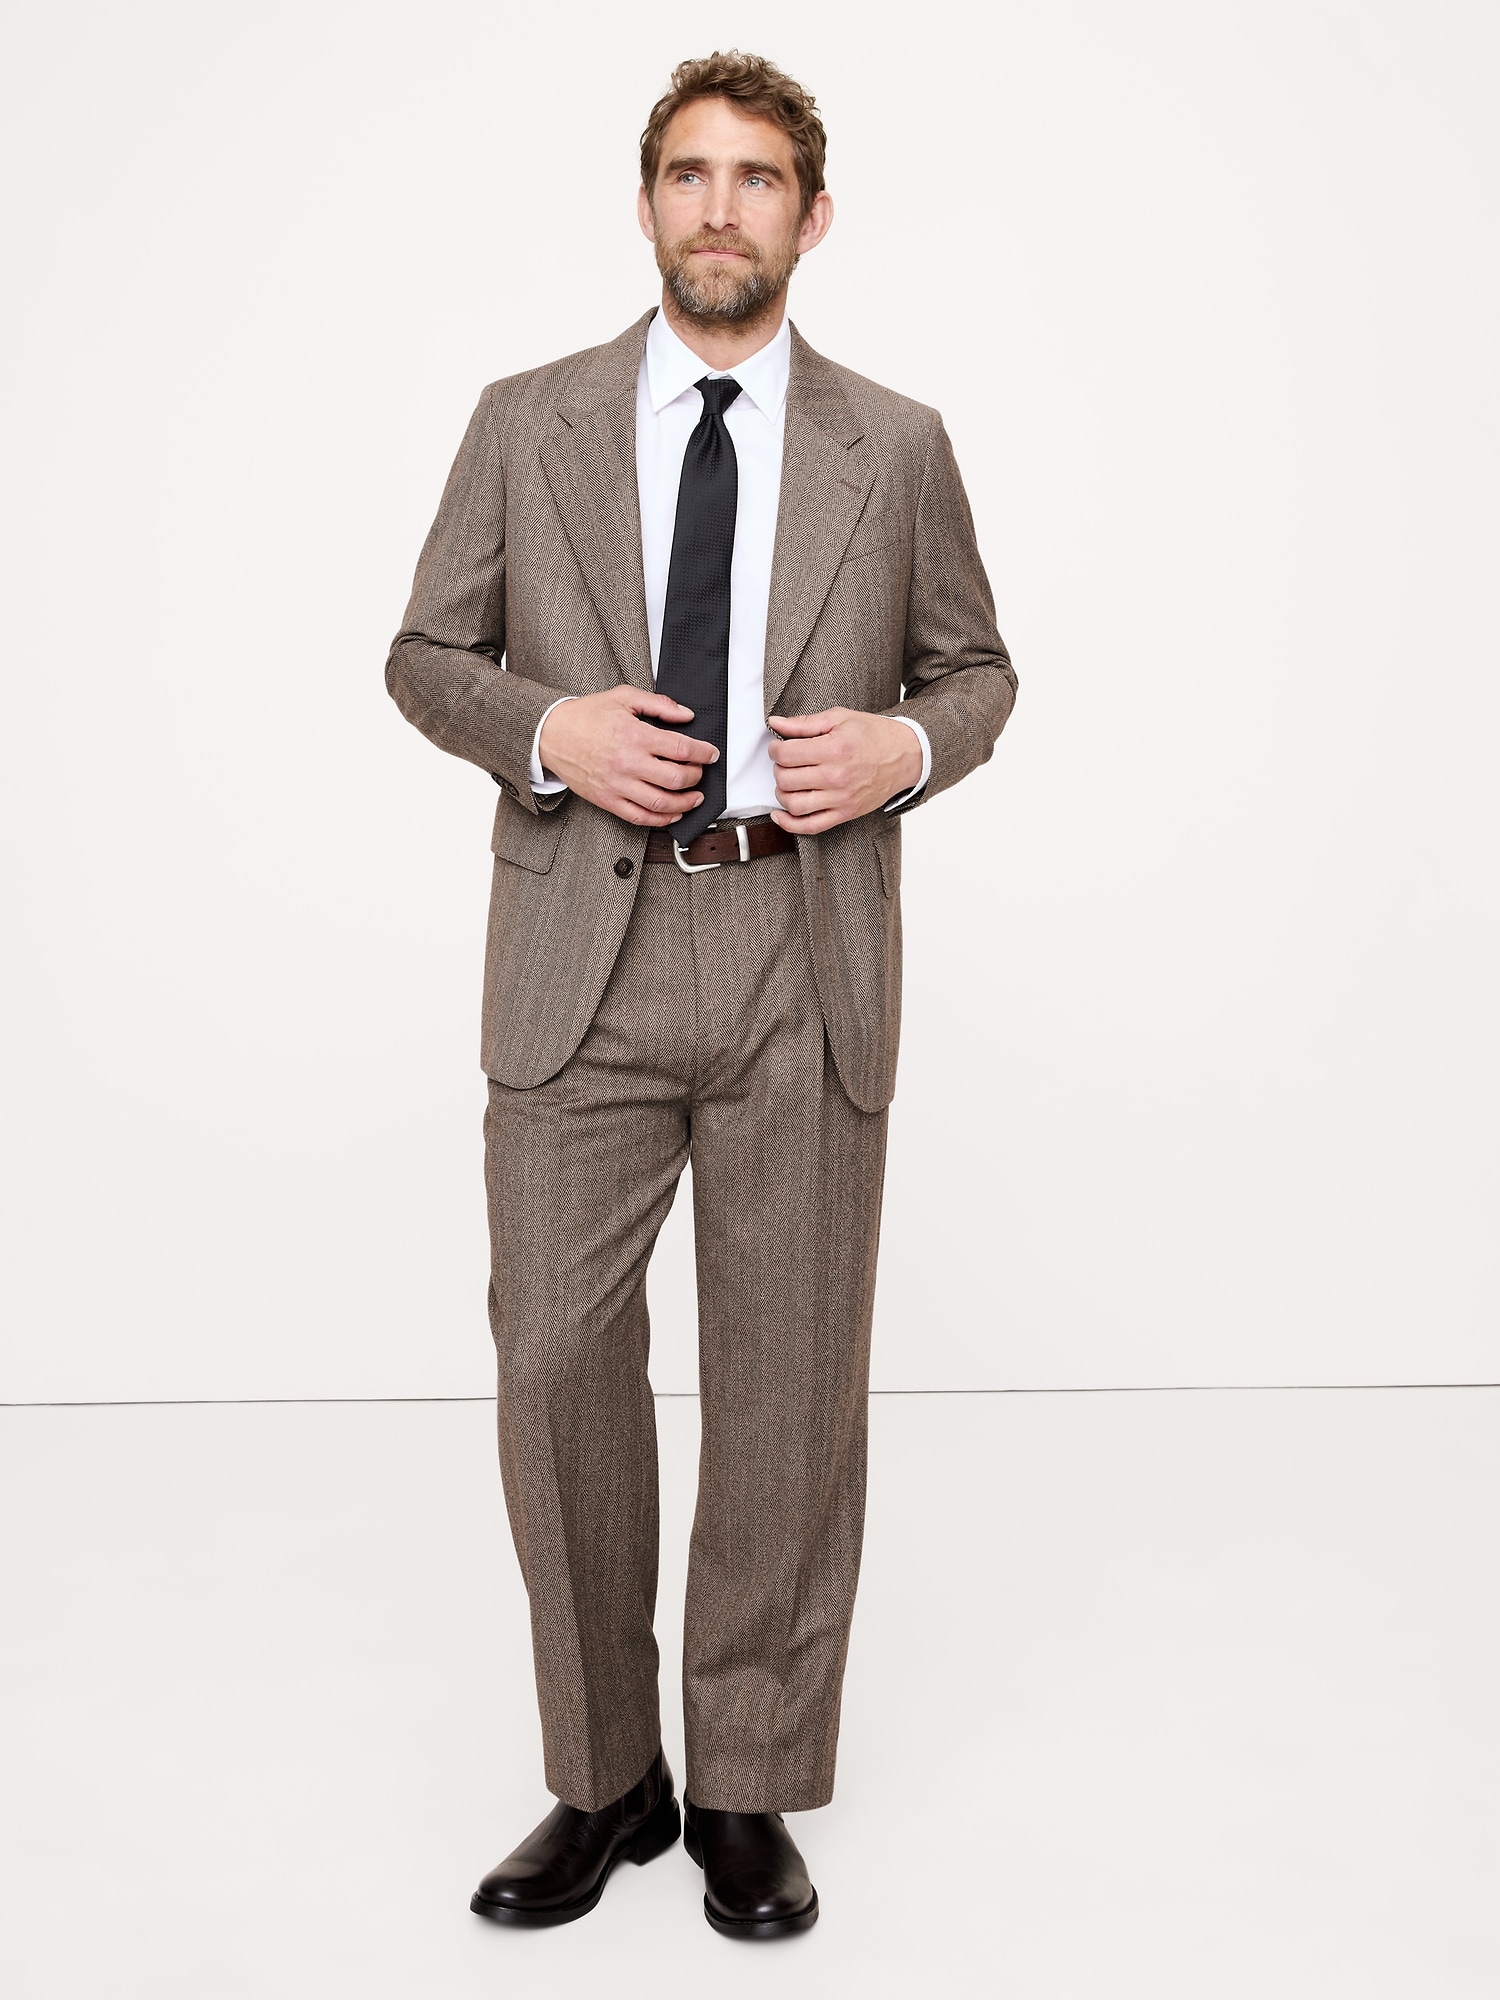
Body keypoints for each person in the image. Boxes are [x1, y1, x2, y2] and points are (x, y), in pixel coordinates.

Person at [386, 49, 1016, 1939]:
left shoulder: (895, 444)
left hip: (801, 947)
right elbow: (424, 653)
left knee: (786, 1383)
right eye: (689, 172)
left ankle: (743, 1779)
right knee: (554, 1367)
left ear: (812, 216)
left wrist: (905, 749)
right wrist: (549, 730)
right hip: (578, 948)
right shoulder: (531, 422)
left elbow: (977, 671)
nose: (719, 206)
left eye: (755, 177)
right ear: (647, 202)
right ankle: (607, 1777)